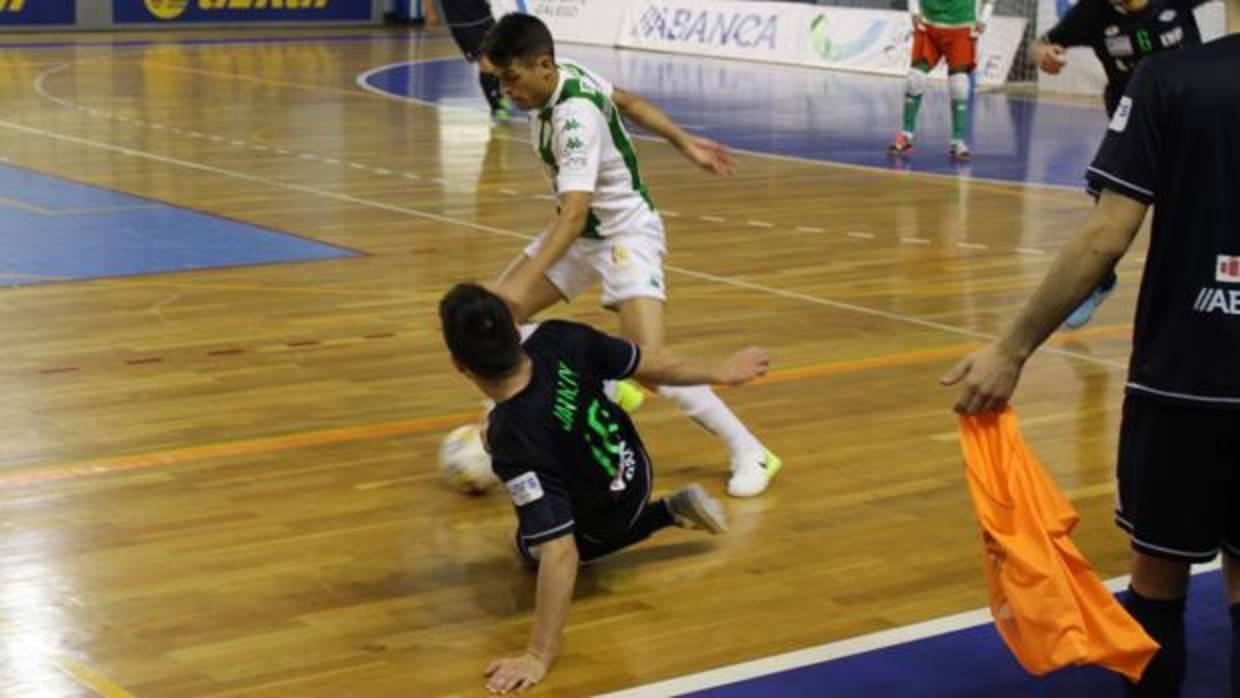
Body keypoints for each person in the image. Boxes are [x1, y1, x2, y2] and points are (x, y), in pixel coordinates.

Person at [942, 2, 1240, 692]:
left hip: (1183, 381)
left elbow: (1107, 235)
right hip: (1190, 379)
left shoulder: (1170, 80)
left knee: (1158, 579)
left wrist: (1011, 349)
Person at [479, 13, 782, 497]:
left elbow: (575, 214)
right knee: (494, 317)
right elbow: (629, 101)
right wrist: (685, 142)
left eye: (511, 80)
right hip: (580, 233)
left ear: (542, 66)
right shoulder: (565, 73)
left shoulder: (572, 118)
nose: (506, 92)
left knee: (651, 365)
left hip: (623, 236)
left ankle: (750, 450)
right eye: (498, 81)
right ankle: (573, 395)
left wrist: (526, 277)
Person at [439, 282, 770, 695]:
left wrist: (538, 655)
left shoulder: (513, 439)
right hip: (635, 464)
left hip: (613, 513)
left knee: (529, 548)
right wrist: (722, 371)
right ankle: (653, 508)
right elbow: (653, 363)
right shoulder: (559, 337)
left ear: (458, 363)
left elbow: (561, 553)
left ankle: (666, 512)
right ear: (514, 328)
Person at [1031, 0, 1212, 328]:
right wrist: (1043, 55)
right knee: (1112, 209)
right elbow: (1042, 43)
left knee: (1196, 208)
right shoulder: (1092, 12)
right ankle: (1098, 280)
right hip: (1134, 125)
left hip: (1192, 116)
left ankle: (1205, 290)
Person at [889, 0, 996, 160]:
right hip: (929, 25)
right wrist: (914, 11)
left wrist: (984, 18)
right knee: (914, 79)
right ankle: (906, 134)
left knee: (959, 84)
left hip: (961, 27)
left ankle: (958, 141)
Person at [439, 0, 513, 121]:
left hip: (484, 17)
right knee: (486, 64)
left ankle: (499, 97)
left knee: (497, 59)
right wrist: (430, 11)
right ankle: (496, 106)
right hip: (463, 24)